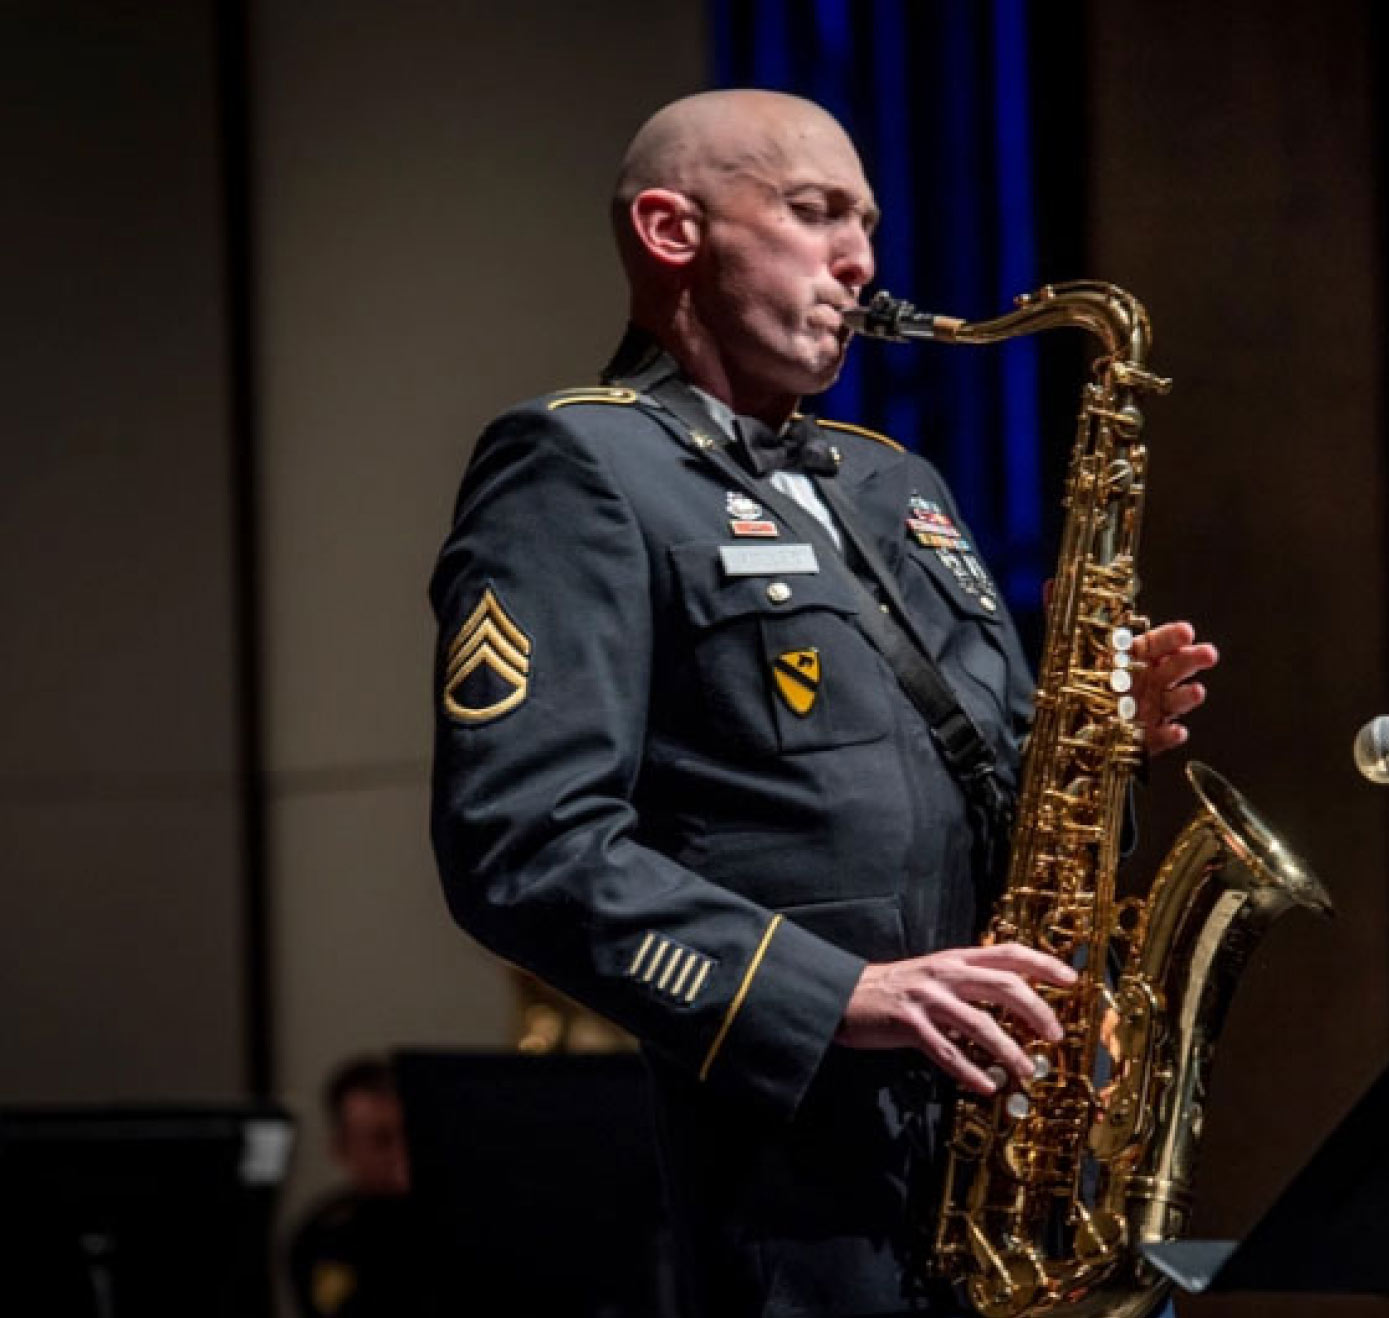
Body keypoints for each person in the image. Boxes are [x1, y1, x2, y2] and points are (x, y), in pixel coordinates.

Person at [429, 89, 1217, 1317]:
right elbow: (518, 845)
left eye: (867, 223)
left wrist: (1103, 745)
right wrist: (834, 992)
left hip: (1025, 1165)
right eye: (814, 213)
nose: (859, 257)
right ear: (670, 230)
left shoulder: (893, 478)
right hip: (810, 1197)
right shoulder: (580, 465)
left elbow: (1019, 831)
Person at [287, 1056, 418, 1318]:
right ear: (342, 1149)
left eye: (410, 1135)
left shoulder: (456, 1220)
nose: (401, 1153)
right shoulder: (323, 1235)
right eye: (381, 1141)